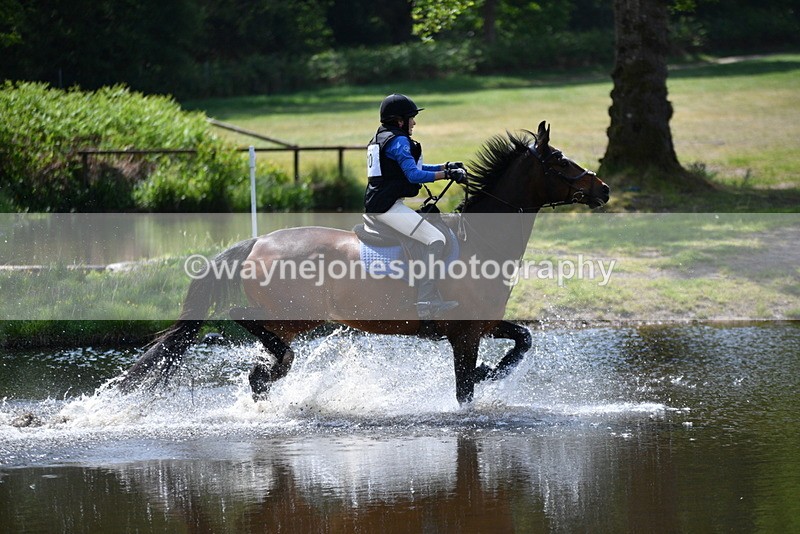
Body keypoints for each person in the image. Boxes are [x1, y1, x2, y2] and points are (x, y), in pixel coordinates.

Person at [364, 93, 468, 320]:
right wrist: (446, 174)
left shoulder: (383, 138)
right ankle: (426, 301)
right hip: (387, 207)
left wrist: (445, 165)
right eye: (411, 118)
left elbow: (411, 167)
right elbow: (413, 175)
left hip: (382, 203)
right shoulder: (399, 140)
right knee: (436, 239)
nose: (414, 122)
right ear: (399, 120)